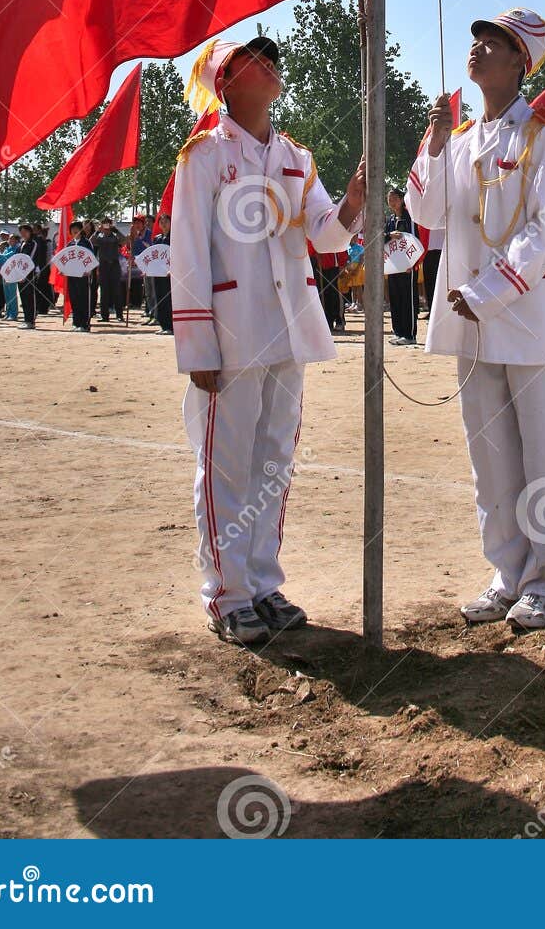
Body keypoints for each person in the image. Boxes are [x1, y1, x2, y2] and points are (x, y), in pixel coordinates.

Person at [172, 35, 365, 649]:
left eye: (272, 59)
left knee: (274, 459)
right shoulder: (203, 156)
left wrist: (353, 202)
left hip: (288, 327)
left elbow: (327, 236)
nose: (271, 66)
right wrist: (197, 346)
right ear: (224, 83)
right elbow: (187, 252)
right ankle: (226, 593)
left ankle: (261, 582)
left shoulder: (295, 154)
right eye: (253, 61)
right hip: (230, 333)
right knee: (226, 465)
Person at [407, 7, 545, 634]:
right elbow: (426, 210)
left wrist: (485, 292)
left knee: (543, 457)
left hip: (529, 321)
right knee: (491, 457)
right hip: (473, 324)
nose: (478, 48)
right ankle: (508, 573)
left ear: (519, 63)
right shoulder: (458, 140)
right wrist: (432, 144)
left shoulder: (543, 137)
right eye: (477, 39)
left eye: (494, 42)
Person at [385, 187, 420, 345]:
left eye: (395, 199)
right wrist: (389, 236)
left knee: (408, 299)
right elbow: (381, 238)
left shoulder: (409, 218)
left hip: (407, 266)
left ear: (401, 200)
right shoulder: (390, 220)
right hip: (393, 266)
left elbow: (415, 240)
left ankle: (410, 335)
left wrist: (412, 263)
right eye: (389, 199)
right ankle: (398, 332)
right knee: (395, 298)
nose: (392, 202)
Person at [65, 218, 95, 332]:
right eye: (72, 229)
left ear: (81, 230)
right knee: (74, 298)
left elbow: (91, 257)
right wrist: (64, 269)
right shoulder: (70, 244)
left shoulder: (86, 242)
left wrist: (89, 270)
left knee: (84, 299)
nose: (75, 231)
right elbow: (65, 259)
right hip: (72, 275)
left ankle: (85, 324)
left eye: (77, 229)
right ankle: (76, 322)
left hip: (83, 275)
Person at [92, 218, 125, 322]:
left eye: (108, 224)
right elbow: (91, 241)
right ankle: (104, 315)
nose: (106, 227)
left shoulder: (115, 236)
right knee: (104, 291)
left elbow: (124, 241)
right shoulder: (99, 237)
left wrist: (116, 230)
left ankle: (119, 315)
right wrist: (97, 231)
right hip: (103, 265)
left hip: (114, 265)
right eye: (104, 224)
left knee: (117, 291)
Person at [15, 222, 43, 329]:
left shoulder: (33, 244)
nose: (23, 234)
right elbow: (16, 259)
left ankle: (31, 321)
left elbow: (31, 259)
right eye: (21, 232)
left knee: (30, 297)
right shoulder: (21, 245)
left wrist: (25, 273)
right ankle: (26, 319)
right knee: (23, 297)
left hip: (29, 273)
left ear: (30, 232)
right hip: (20, 274)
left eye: (25, 232)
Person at [151, 213, 173, 334]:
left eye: (166, 222)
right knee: (159, 297)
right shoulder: (157, 238)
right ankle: (163, 325)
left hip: (170, 273)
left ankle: (171, 326)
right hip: (158, 272)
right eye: (161, 222)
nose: (164, 224)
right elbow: (153, 256)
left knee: (169, 298)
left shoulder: (174, 237)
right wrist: (148, 269)